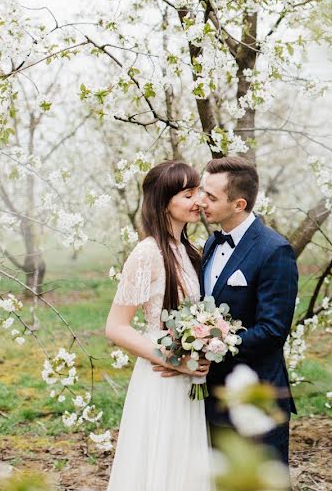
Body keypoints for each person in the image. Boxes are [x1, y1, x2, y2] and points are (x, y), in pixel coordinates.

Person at [154, 156, 299, 466]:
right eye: (201, 191)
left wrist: (210, 348)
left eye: (211, 196)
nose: (200, 201)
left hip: (254, 398)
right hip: (211, 397)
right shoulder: (209, 245)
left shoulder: (274, 250)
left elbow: (273, 331)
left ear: (239, 204)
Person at [104, 160, 212, 490]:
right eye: (189, 194)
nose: (199, 201)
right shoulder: (147, 253)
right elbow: (116, 327)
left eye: (199, 192)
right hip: (162, 376)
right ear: (164, 200)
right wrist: (174, 359)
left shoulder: (190, 251)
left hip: (191, 376)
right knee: (161, 461)